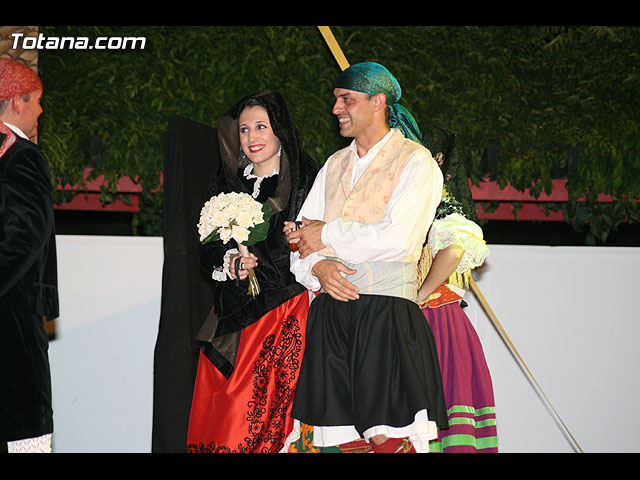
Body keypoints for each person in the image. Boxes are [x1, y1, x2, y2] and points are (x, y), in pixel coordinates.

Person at [285, 62, 447, 453]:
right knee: (340, 436)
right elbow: (300, 241)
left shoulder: (416, 162)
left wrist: (326, 234)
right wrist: (318, 266)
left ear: (378, 102)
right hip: (332, 313)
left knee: (386, 433)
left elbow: (398, 239)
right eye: (336, 100)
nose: (336, 109)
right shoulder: (333, 164)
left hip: (384, 312)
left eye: (347, 99)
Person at [186, 91, 317, 453]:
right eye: (244, 130)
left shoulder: (306, 181)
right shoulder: (228, 183)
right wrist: (231, 262)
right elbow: (206, 247)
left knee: (265, 419)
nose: (251, 137)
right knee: (222, 418)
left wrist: (298, 239)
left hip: (283, 312)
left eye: (261, 126)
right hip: (231, 315)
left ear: (280, 132)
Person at [0, 57, 59, 453]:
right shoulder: (22, 156)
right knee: (26, 435)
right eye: (36, 101)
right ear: (16, 101)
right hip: (12, 321)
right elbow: (24, 238)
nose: (40, 111)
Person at [417, 187, 498, 452]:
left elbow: (454, 249)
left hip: (436, 321)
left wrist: (419, 295)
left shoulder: (433, 208)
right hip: (428, 321)